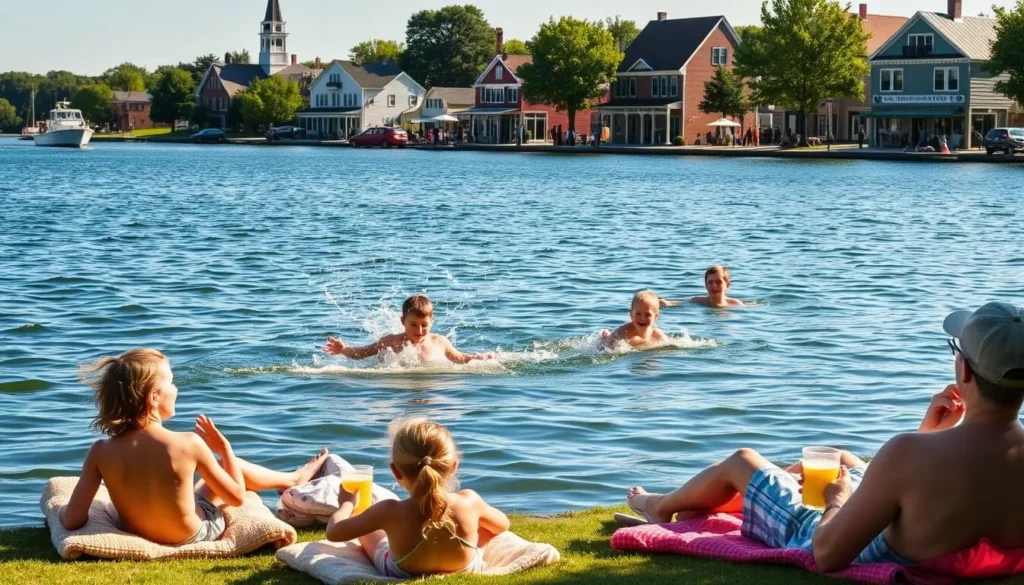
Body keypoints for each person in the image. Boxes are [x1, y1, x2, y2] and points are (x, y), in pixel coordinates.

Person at [626, 302, 1024, 572]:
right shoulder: (930, 453)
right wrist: (930, 435)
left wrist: (837, 503)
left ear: (966, 372)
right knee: (843, 458)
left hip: (839, 538)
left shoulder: (906, 453)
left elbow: (828, 553)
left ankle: (659, 505)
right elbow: (936, 498)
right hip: (923, 538)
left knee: (743, 461)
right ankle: (720, 502)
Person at [59, 348, 329, 545]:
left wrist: (62, 509)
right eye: (172, 382)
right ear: (154, 397)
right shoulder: (188, 443)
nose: (176, 388)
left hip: (136, 531)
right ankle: (293, 479)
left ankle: (291, 479)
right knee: (228, 469)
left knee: (194, 485)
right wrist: (224, 448)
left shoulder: (100, 451)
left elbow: (71, 520)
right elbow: (235, 497)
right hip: (192, 533)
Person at [326, 419, 510, 578]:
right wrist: (475, 539)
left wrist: (347, 504)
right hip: (465, 567)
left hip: (402, 570)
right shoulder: (469, 502)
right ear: (453, 466)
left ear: (396, 471)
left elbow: (334, 533)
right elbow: (502, 525)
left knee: (367, 530)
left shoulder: (389, 511)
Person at [324, 295, 495, 364]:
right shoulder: (391, 342)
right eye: (413, 324)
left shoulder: (440, 342)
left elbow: (460, 358)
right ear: (403, 321)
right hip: (401, 389)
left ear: (432, 322)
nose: (419, 330)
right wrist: (344, 349)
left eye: (424, 325)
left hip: (431, 388)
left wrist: (479, 357)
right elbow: (363, 353)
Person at [600, 290, 668, 349]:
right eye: (638, 314)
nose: (642, 318)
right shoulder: (623, 333)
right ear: (631, 314)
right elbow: (606, 350)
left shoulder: (657, 334)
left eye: (648, 314)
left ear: (656, 316)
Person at [661, 265, 745, 309]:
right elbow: (680, 304)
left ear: (727, 285)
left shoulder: (736, 304)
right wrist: (666, 303)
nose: (714, 285)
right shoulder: (697, 301)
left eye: (718, 282)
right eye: (710, 282)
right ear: (705, 285)